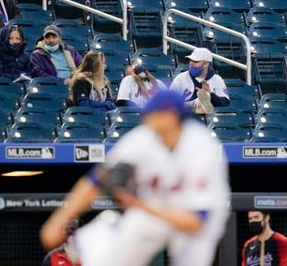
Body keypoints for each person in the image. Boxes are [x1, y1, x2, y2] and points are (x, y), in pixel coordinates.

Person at [40, 90, 231, 266]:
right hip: (154, 206)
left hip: (196, 221)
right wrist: (59, 219)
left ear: (170, 116)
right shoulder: (143, 137)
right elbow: (97, 179)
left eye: (152, 114)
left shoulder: (202, 148)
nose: (146, 119)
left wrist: (138, 205)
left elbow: (195, 221)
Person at [170, 47, 230, 114]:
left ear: (206, 64)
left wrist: (211, 95)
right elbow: (170, 102)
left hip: (210, 117)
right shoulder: (181, 78)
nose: (191, 63)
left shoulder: (217, 79)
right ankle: (197, 103)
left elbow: (225, 103)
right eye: (190, 60)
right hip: (185, 117)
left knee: (206, 97)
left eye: (195, 61)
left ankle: (202, 102)